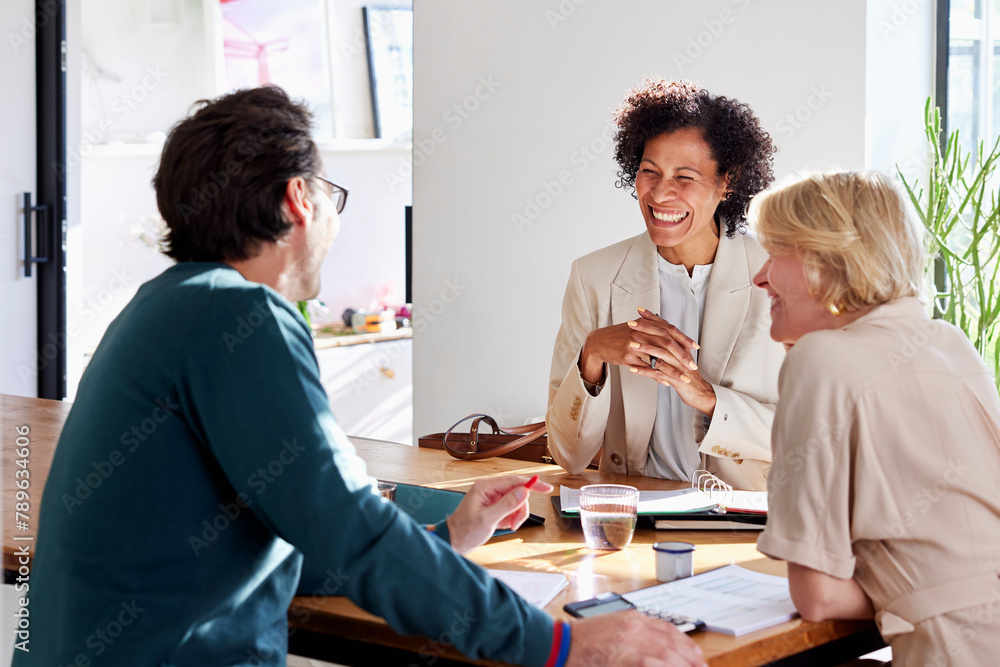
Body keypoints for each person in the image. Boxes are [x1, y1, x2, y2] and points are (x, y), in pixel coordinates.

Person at [18, 86, 706, 667]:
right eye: (331, 197)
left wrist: (447, 540)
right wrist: (561, 644)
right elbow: (348, 525)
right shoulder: (239, 316)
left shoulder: (167, 306)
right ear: (298, 200)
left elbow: (298, 528)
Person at [751, 170, 1000, 666]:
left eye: (776, 252)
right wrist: (930, 584)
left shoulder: (820, 357)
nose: (759, 276)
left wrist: (917, 591)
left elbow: (817, 598)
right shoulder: (949, 342)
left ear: (826, 260)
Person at [547, 79, 785, 490]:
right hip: (638, 509)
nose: (660, 193)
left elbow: (815, 438)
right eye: (649, 172)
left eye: (685, 177)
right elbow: (569, 455)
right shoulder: (594, 277)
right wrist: (593, 354)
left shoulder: (778, 276)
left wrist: (708, 398)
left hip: (751, 518)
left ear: (727, 181)